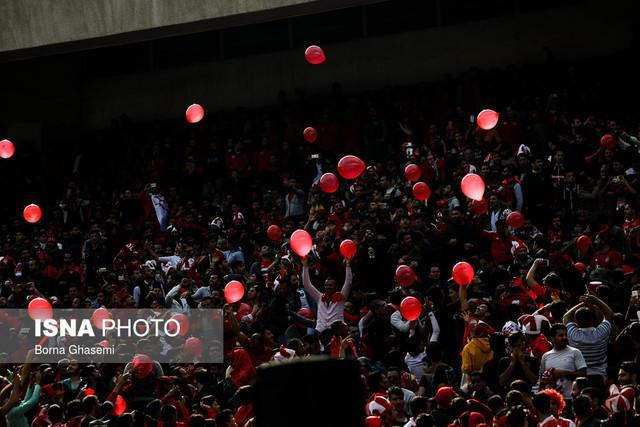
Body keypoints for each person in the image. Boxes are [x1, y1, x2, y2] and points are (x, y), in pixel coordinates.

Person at [563, 294, 613, 379]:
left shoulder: (573, 334)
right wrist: (595, 299)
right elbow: (609, 314)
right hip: (601, 375)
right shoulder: (601, 333)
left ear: (576, 321)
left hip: (579, 375)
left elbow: (566, 317)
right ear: (592, 320)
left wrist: (583, 303)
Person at [538, 324, 587, 405]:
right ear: (552, 338)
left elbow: (583, 374)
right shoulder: (546, 356)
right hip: (552, 401)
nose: (564, 337)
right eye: (560, 335)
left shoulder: (575, 352)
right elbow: (542, 378)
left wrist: (564, 373)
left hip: (569, 399)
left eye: (565, 335)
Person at [301, 257, 352, 333]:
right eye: (326, 285)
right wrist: (305, 265)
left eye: (331, 285)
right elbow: (306, 284)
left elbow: (348, 283)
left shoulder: (341, 298)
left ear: (336, 287)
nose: (328, 287)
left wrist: (348, 265)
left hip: (336, 333)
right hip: (320, 333)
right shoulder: (319, 297)